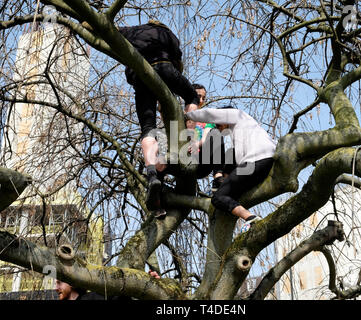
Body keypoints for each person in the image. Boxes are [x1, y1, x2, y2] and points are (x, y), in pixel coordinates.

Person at [118, 20, 200, 211]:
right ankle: (189, 136)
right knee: (192, 95)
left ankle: (152, 173)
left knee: (148, 127)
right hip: (165, 68)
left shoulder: (131, 31)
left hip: (140, 76)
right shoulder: (168, 34)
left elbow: (107, 30)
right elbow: (178, 62)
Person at [185, 106, 276, 232]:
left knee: (217, 198)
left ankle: (251, 218)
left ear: (224, 116)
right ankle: (222, 184)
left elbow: (210, 113)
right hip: (264, 163)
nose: (217, 126)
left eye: (218, 123)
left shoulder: (237, 114)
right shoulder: (246, 130)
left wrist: (187, 115)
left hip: (255, 161)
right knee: (231, 155)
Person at [55, 271, 161, 300]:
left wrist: (147, 282)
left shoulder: (96, 297)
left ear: (72, 283)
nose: (56, 288)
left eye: (59, 282)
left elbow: (125, 294)